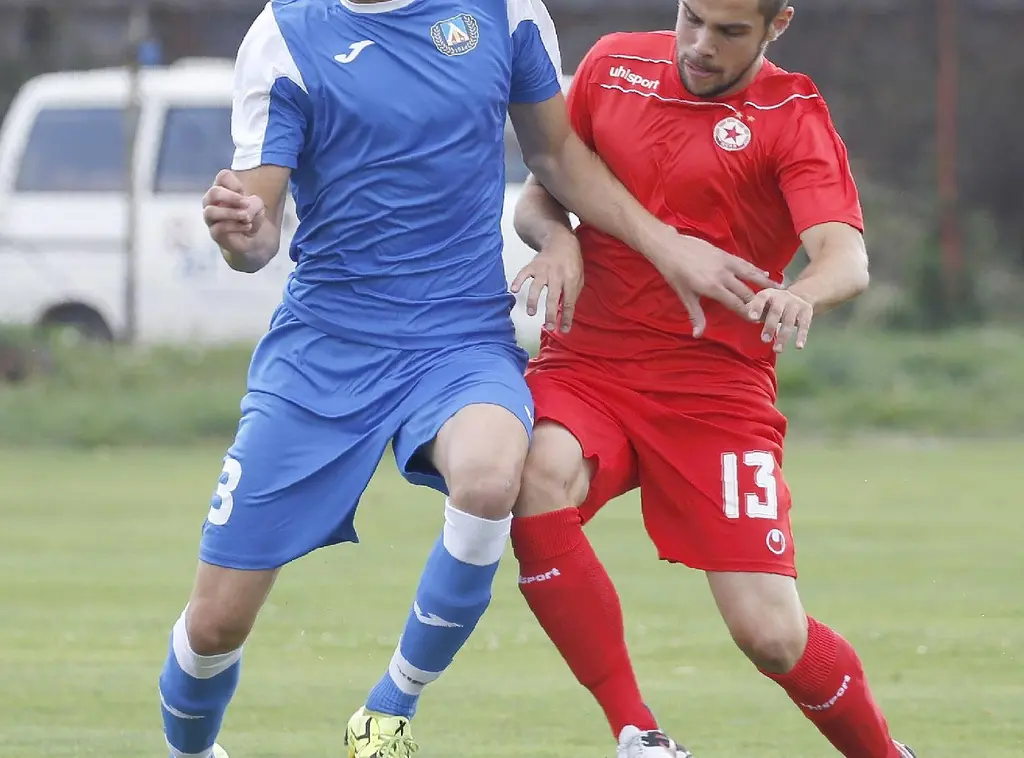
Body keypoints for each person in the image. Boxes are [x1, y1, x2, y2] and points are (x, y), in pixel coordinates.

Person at [155, 1, 775, 758]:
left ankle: (388, 709)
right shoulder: (284, 36)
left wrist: (654, 244)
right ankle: (191, 749)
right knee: (216, 623)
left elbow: (558, 157)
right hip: (325, 348)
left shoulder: (505, 12)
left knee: (489, 478)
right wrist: (241, 233)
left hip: (459, 336)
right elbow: (256, 237)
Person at [507, 2, 919, 758]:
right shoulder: (613, 65)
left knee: (770, 634)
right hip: (590, 362)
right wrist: (556, 240)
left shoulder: (792, 114)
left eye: (729, 32)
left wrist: (801, 293)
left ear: (777, 25)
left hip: (714, 391)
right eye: (691, 18)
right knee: (534, 478)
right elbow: (544, 189)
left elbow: (845, 258)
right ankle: (638, 733)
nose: (699, 45)